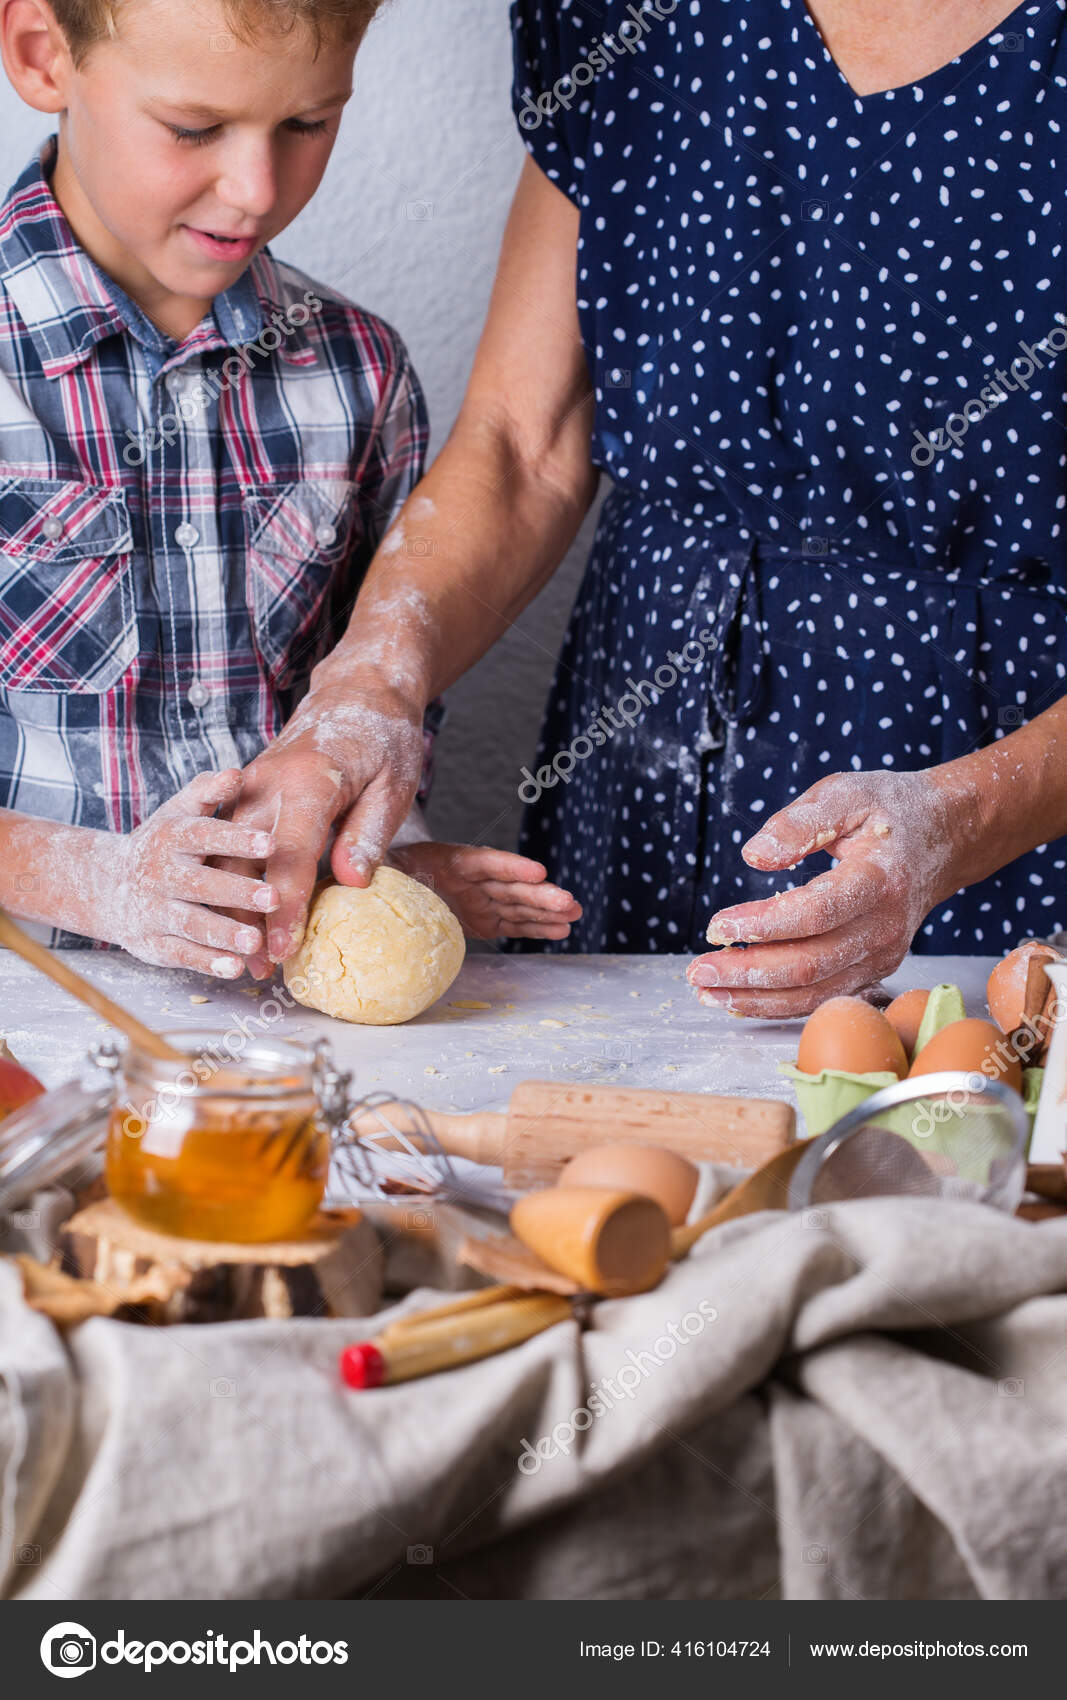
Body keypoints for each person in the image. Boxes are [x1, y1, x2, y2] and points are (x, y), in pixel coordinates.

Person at [219, 0, 1067, 1010]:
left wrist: (962, 819)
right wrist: (372, 679)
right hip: (638, 769)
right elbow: (522, 444)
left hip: (1008, 803)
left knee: (955, 1135)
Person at [0, 0, 581, 977]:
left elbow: (365, 713)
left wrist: (376, 862)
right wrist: (92, 880)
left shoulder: (360, 374)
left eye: (307, 123)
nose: (254, 188)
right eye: (194, 128)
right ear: (41, 57)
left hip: (281, 1042)